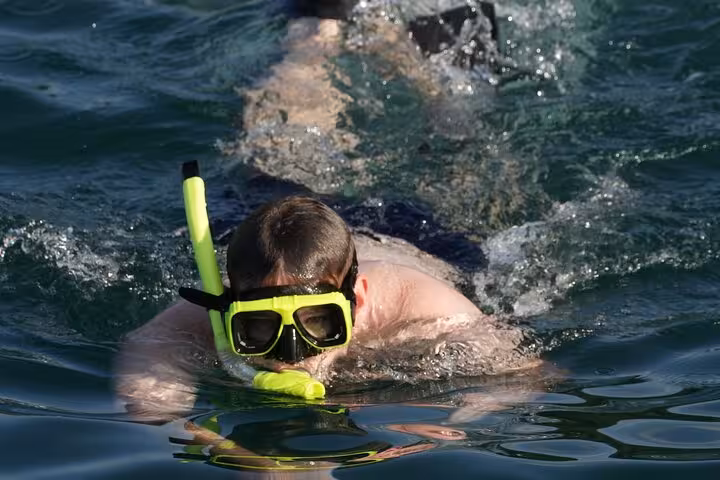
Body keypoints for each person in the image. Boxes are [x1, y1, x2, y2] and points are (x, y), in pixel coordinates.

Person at [115, 195, 541, 420]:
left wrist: (452, 424)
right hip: (254, 218)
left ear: (356, 303)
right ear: (228, 307)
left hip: (408, 229)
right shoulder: (207, 316)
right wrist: (160, 414)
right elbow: (150, 356)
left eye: (319, 323)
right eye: (259, 328)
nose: (290, 356)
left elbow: (526, 375)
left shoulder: (425, 313)